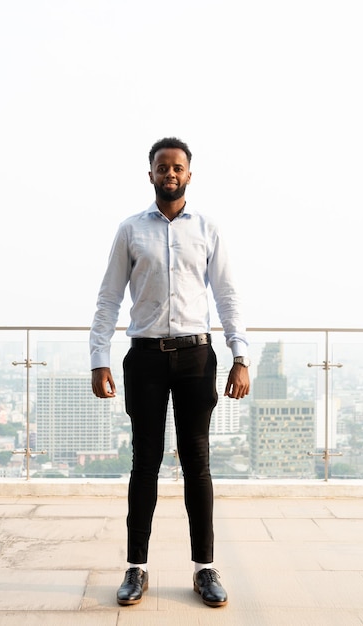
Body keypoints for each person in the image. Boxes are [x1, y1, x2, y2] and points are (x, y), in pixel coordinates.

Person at [90, 137, 250, 608]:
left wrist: (240, 355)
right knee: (145, 463)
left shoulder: (207, 229)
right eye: (163, 167)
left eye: (178, 167)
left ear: (189, 174)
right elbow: (107, 298)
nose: (171, 173)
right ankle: (135, 568)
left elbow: (227, 296)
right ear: (151, 174)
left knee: (197, 464)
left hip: (196, 358)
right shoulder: (130, 230)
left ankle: (204, 569)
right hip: (145, 359)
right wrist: (99, 357)